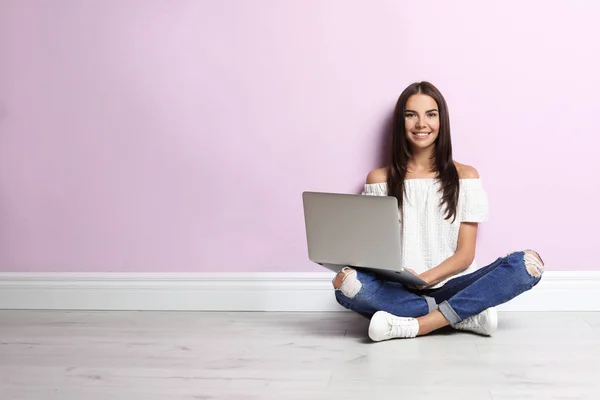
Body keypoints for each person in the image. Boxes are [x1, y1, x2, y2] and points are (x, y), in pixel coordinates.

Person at [332, 81, 545, 342]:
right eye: (411, 115)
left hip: (455, 284)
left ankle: (415, 325)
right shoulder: (379, 179)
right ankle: (461, 314)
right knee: (347, 286)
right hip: (400, 289)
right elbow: (376, 251)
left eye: (431, 114)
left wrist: (425, 279)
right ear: (401, 122)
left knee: (528, 264)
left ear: (441, 121)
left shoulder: (466, 176)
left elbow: (465, 255)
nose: (421, 124)